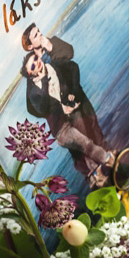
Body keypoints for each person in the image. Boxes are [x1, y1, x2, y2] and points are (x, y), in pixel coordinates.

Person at [21, 50, 113, 188]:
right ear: (30, 74)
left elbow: (73, 67)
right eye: (32, 66)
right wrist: (60, 106)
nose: (36, 63)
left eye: (35, 58)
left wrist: (72, 94)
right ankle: (108, 159)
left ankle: (98, 175)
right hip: (61, 129)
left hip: (74, 114)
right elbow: (43, 106)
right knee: (85, 144)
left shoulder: (53, 67)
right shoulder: (34, 93)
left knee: (87, 142)